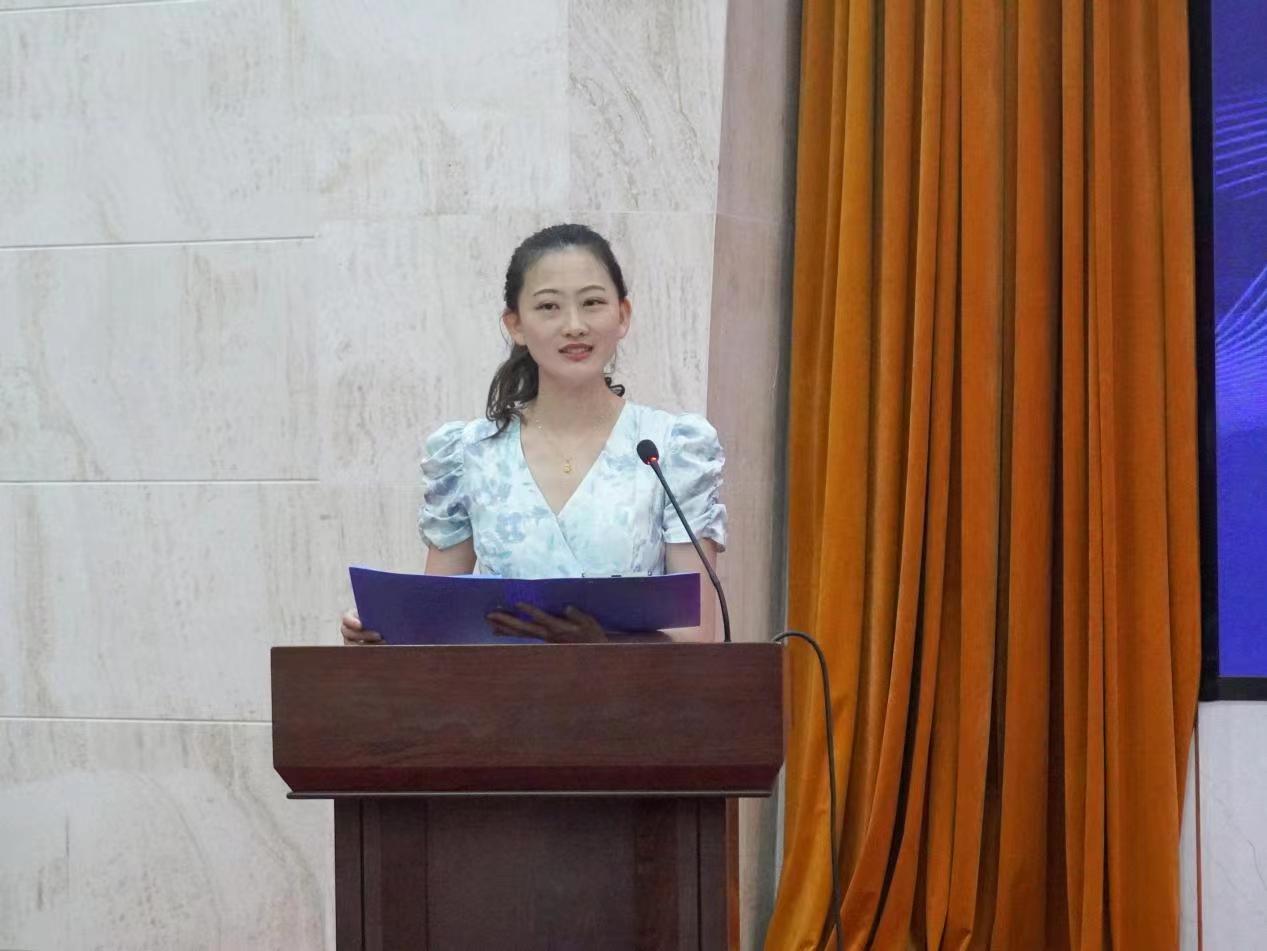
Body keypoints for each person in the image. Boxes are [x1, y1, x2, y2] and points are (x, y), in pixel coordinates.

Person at [341, 223, 727, 644]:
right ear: (516, 325)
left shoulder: (671, 449)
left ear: (622, 315)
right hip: (500, 687)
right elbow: (436, 626)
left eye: (592, 302)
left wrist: (607, 648)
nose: (574, 325)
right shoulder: (469, 454)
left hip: (634, 689)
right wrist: (379, 633)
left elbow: (698, 637)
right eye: (548, 307)